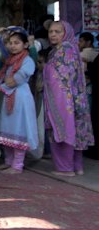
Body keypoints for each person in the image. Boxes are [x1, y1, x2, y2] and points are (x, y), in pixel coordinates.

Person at [43, 21, 94, 176]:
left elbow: (60, 78)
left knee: (64, 128)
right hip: (75, 99)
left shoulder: (65, 50)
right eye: (51, 31)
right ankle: (77, 166)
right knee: (76, 130)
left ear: (66, 33)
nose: (53, 34)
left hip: (63, 100)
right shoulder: (68, 49)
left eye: (57, 31)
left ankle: (65, 168)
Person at [0, 28, 38, 174]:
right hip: (10, 97)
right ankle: (9, 162)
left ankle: (17, 165)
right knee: (8, 130)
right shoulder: (9, 62)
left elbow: (16, 80)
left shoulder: (27, 60)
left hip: (20, 99)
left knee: (18, 130)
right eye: (10, 43)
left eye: (17, 43)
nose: (13, 46)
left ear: (26, 45)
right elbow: (6, 81)